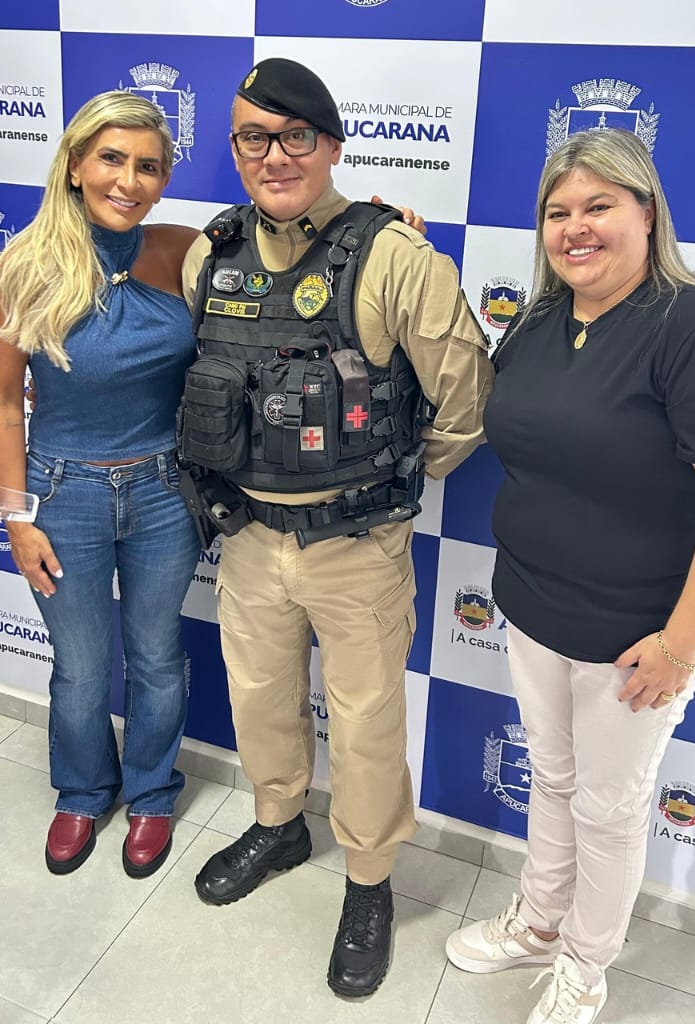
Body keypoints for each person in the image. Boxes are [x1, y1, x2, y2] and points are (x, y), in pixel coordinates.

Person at [178, 59, 492, 999]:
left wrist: (384, 483)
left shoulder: (393, 256)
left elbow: (466, 398)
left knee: (364, 724)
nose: (274, 156)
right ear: (234, 148)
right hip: (247, 536)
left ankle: (369, 883)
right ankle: (279, 826)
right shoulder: (210, 255)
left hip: (357, 547)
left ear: (332, 145)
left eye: (295, 136)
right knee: (260, 697)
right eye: (254, 137)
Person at [443, 128, 695, 1024]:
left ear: (648, 212)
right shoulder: (537, 319)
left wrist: (681, 648)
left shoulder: (691, 323)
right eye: (558, 212)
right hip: (532, 604)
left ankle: (586, 965)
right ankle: (539, 923)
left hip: (635, 637)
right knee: (555, 780)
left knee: (609, 808)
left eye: (599, 205)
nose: (576, 228)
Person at [0, 93, 200, 879]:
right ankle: (83, 791)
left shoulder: (181, 248)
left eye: (148, 165)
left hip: (163, 492)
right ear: (76, 164)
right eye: (111, 158)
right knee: (80, 666)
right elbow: (3, 404)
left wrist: (382, 223)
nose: (128, 179)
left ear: (164, 179)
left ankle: (151, 792)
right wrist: (16, 518)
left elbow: (284, 249)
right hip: (62, 496)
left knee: (156, 656)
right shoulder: (25, 265)